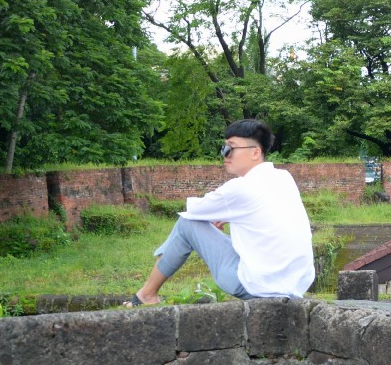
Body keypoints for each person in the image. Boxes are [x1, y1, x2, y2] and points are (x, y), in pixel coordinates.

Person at [129, 119, 314, 304]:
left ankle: (146, 295)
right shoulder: (284, 177)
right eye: (224, 148)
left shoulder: (241, 187)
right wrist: (225, 216)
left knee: (187, 223)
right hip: (294, 287)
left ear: (255, 152)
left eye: (231, 148)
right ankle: (146, 294)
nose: (225, 154)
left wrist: (215, 216)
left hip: (255, 286)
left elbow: (193, 211)